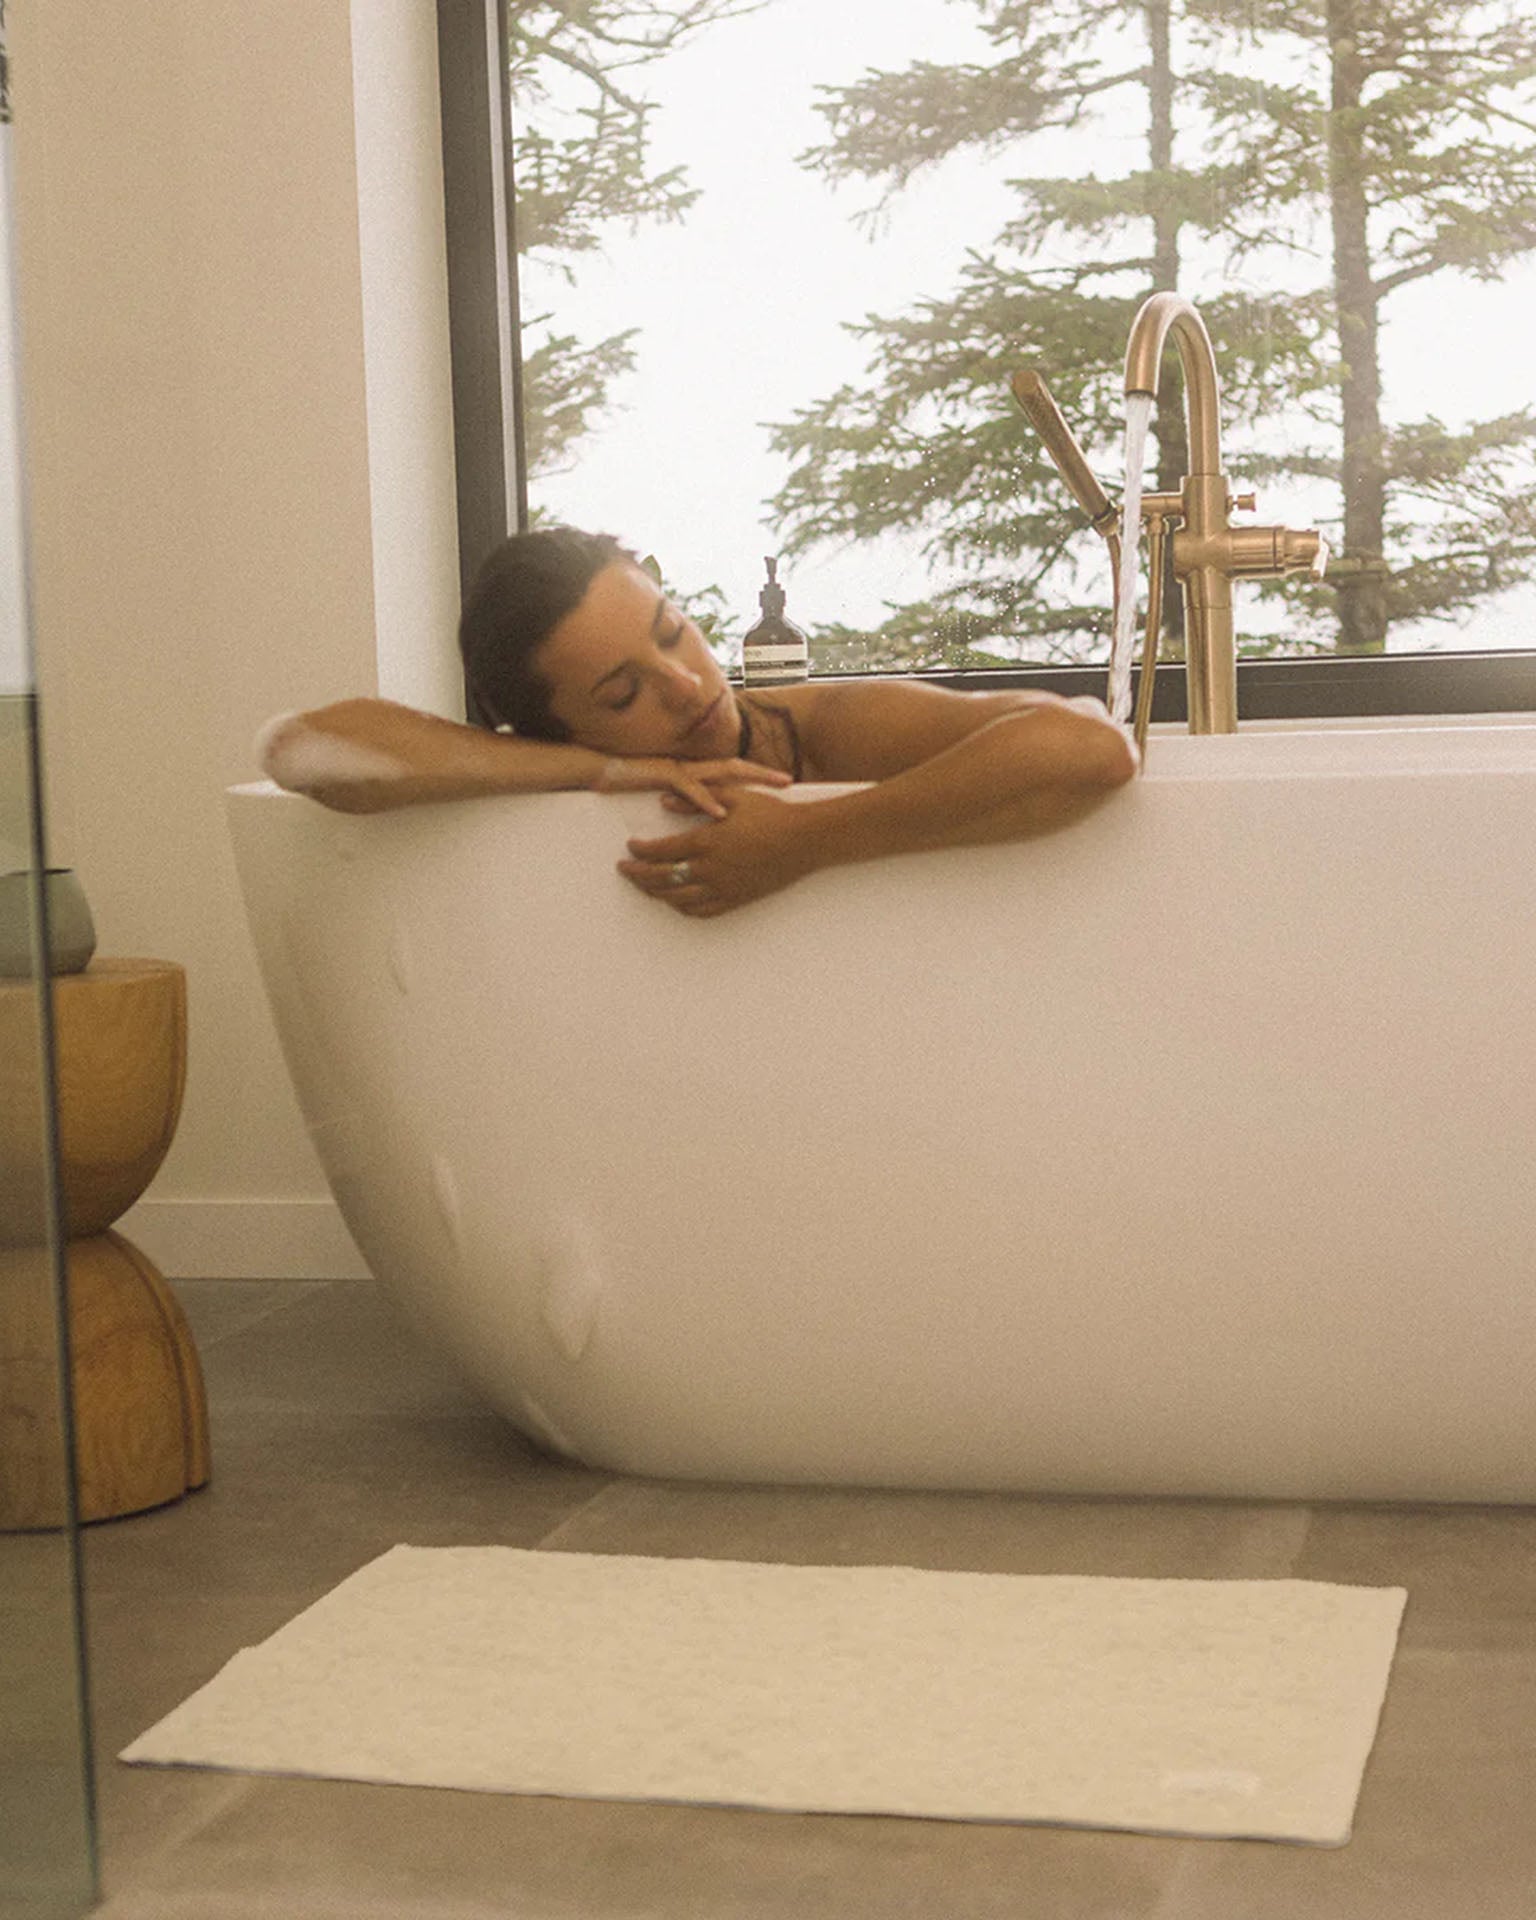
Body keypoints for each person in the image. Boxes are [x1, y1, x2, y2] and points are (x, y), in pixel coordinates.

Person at [258, 526, 1139, 918]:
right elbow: (301, 750)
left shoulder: (820, 727)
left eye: (674, 633)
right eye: (621, 696)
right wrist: (596, 773)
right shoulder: (563, 767)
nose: (686, 686)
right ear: (558, 730)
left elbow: (1091, 749)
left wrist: (804, 840)